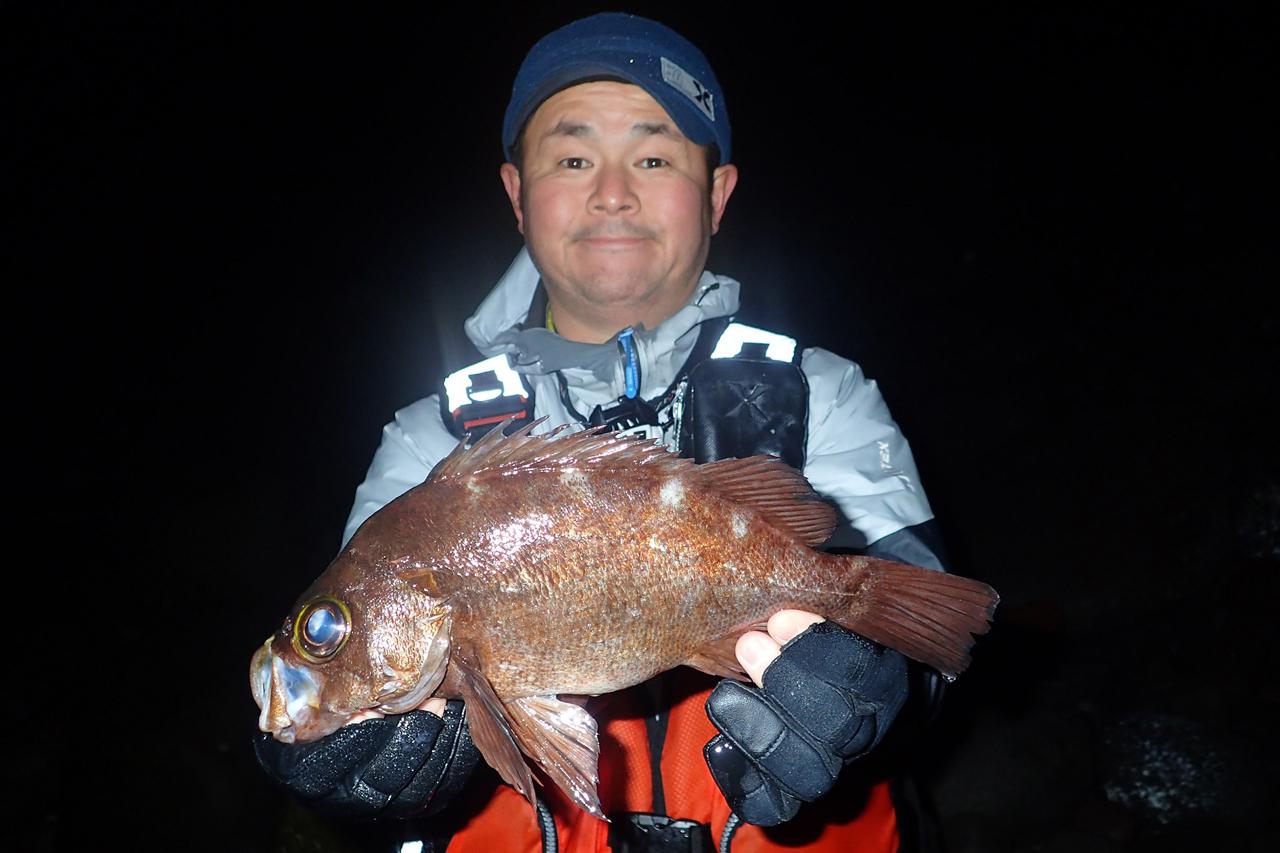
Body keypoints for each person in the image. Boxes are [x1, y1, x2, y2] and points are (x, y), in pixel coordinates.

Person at [256, 12, 951, 853]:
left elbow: (930, 637)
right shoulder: (424, 443)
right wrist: (345, 762)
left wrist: (891, 690)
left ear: (718, 192)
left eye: (653, 157)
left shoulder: (821, 395)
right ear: (517, 194)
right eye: (573, 157)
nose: (612, 191)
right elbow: (364, 686)